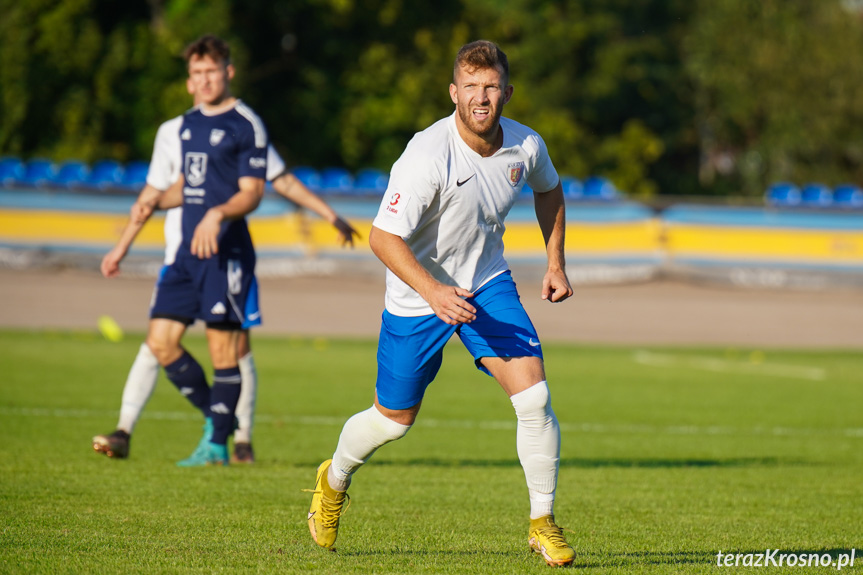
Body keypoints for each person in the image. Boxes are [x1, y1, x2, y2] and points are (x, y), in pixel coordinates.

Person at [305, 40, 575, 567]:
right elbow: (382, 238)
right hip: (416, 296)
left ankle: (542, 523)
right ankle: (332, 480)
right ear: (454, 93)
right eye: (471, 87)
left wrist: (556, 262)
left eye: (491, 86)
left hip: (487, 284)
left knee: (534, 399)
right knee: (393, 421)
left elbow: (551, 190)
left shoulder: (527, 146)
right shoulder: (427, 154)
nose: (481, 97)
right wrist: (432, 293)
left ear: (507, 92)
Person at [93, 39, 359, 465]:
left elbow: (258, 189)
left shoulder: (246, 124)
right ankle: (220, 421)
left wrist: (219, 215)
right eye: (197, 73)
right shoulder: (180, 128)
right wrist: (135, 226)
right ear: (188, 81)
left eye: (212, 71)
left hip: (226, 253)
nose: (205, 80)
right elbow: (181, 186)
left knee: (228, 351)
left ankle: (220, 441)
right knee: (160, 343)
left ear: (228, 71)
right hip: (183, 254)